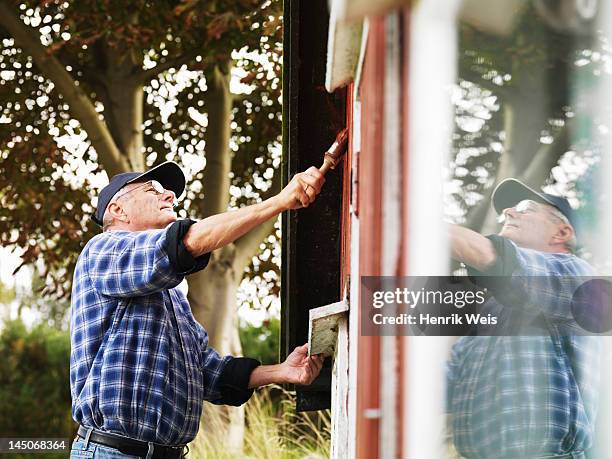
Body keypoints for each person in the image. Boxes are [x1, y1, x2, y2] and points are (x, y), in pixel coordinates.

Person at [69, 161, 326, 459]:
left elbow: (208, 372)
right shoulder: (103, 250)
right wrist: (279, 202)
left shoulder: (173, 296)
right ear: (118, 211)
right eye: (155, 190)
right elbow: (182, 244)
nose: (170, 197)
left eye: (169, 192)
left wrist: (282, 371)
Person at [447, 178, 601, 459]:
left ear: (561, 233)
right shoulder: (491, 310)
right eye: (507, 209)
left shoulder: (577, 276)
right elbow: (450, 380)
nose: (509, 212)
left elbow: (492, 256)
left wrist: (410, 224)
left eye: (525, 207)